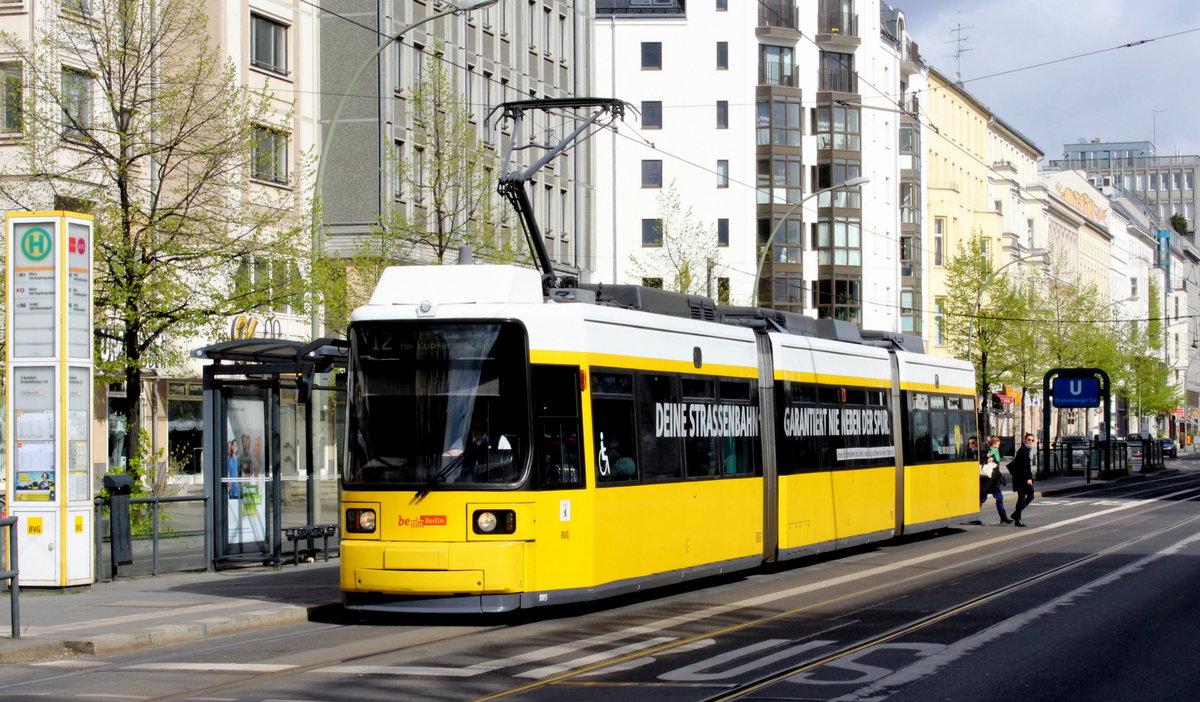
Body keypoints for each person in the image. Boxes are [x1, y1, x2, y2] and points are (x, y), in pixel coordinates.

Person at [979, 436, 1012, 524]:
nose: (997, 446)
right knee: (981, 499)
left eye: (998, 445)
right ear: (991, 444)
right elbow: (982, 457)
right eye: (995, 445)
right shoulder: (987, 450)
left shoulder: (996, 452)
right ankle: (972, 516)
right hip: (987, 480)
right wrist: (987, 458)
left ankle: (1003, 517)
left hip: (995, 480)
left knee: (999, 498)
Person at [1007, 433, 1037, 527]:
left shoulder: (1025, 450)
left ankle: (1017, 518)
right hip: (1023, 479)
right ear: (1025, 440)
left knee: (1021, 498)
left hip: (1020, 478)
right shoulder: (1023, 451)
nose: (1030, 442)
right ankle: (1016, 515)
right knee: (1030, 496)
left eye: (1032, 440)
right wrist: (1028, 478)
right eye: (1029, 440)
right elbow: (1025, 467)